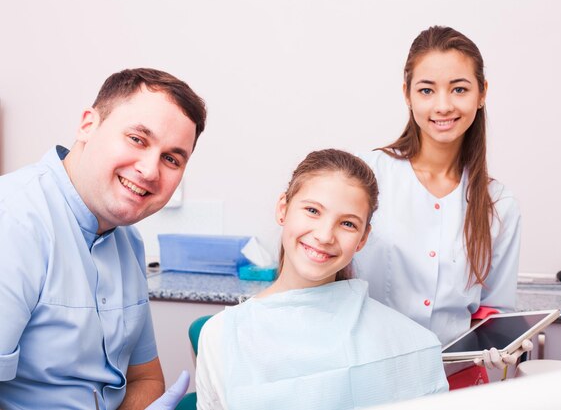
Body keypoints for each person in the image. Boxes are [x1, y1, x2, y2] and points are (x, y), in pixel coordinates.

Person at [0, 68, 206, 409]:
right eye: (137, 139)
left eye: (171, 158)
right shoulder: (14, 220)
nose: (150, 170)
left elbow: (146, 378)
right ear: (88, 125)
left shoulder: (128, 241)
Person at [195, 149, 448, 410]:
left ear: (362, 238)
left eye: (348, 224)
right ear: (283, 208)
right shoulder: (221, 336)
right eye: (313, 210)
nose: (325, 235)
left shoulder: (411, 345)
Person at [352, 26, 529, 388]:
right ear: (407, 95)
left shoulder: (500, 203)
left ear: (482, 94)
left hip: (456, 382)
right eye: (427, 90)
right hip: (370, 379)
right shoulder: (367, 177)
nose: (443, 105)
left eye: (459, 89)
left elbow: (493, 309)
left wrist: (502, 342)